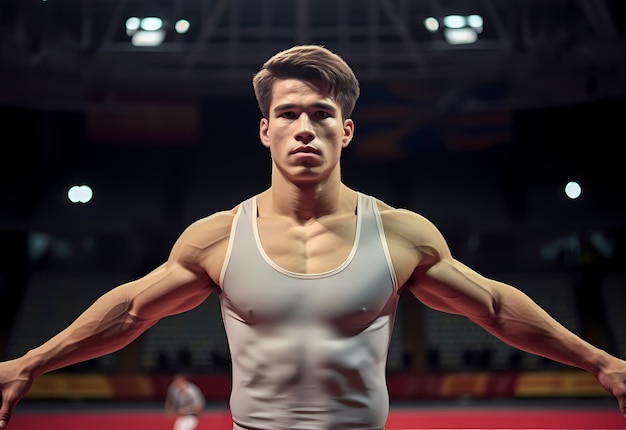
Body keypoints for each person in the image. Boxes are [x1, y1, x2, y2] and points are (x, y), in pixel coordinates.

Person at [0, 44, 625, 430]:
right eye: (290, 114)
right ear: (264, 131)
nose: (306, 128)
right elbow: (132, 310)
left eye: (322, 114)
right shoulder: (216, 239)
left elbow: (491, 306)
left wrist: (601, 362)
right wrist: (29, 364)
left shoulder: (401, 235)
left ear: (346, 131)